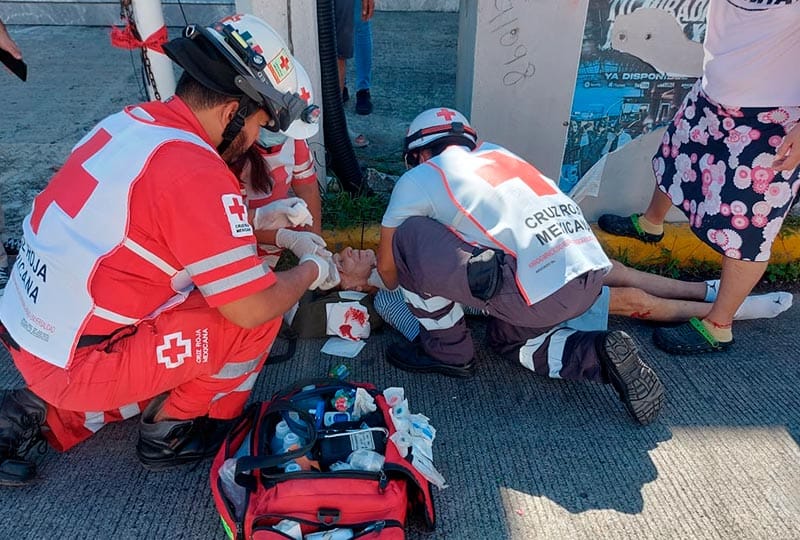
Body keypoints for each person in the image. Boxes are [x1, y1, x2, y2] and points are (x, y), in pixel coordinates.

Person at [0, 14, 341, 487]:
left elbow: (161, 229)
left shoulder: (133, 124)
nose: (254, 142)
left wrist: (269, 226)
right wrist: (310, 269)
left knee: (206, 305)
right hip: (76, 362)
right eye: (258, 127)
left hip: (36, 332)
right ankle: (178, 429)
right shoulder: (195, 170)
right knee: (254, 315)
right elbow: (253, 305)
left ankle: (41, 407)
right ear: (231, 112)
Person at [371, 107, 665, 426]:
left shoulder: (418, 178)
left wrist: (382, 276)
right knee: (509, 341)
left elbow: (389, 272)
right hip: (590, 275)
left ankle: (447, 351)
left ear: (420, 154)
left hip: (538, 291)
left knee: (407, 236)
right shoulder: (498, 154)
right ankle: (600, 354)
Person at [597, 0, 800, 354]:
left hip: (773, 121)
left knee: (750, 224)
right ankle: (651, 224)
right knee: (675, 158)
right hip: (712, 94)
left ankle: (719, 325)